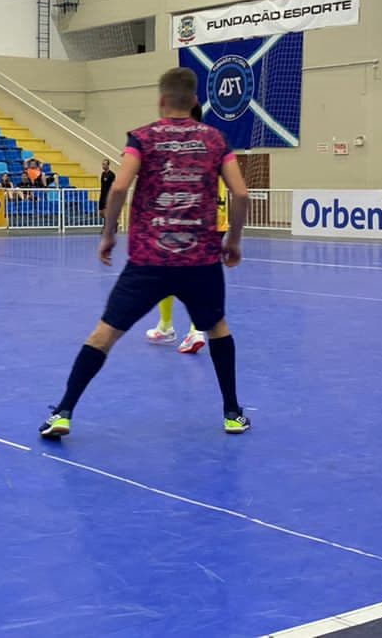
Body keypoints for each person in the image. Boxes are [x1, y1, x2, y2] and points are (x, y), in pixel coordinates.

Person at [39, 68, 249, 439]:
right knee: (217, 328)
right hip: (200, 261)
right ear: (195, 101)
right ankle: (232, 413)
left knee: (105, 334)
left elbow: (119, 187)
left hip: (149, 260)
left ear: (161, 101)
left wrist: (107, 235)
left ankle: (64, 412)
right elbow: (242, 194)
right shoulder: (216, 140)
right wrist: (233, 240)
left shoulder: (143, 138)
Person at [146, 104, 229, 354]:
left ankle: (183, 329)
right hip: (217, 220)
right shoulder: (214, 142)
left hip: (192, 221)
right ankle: (177, 327)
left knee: (172, 275)